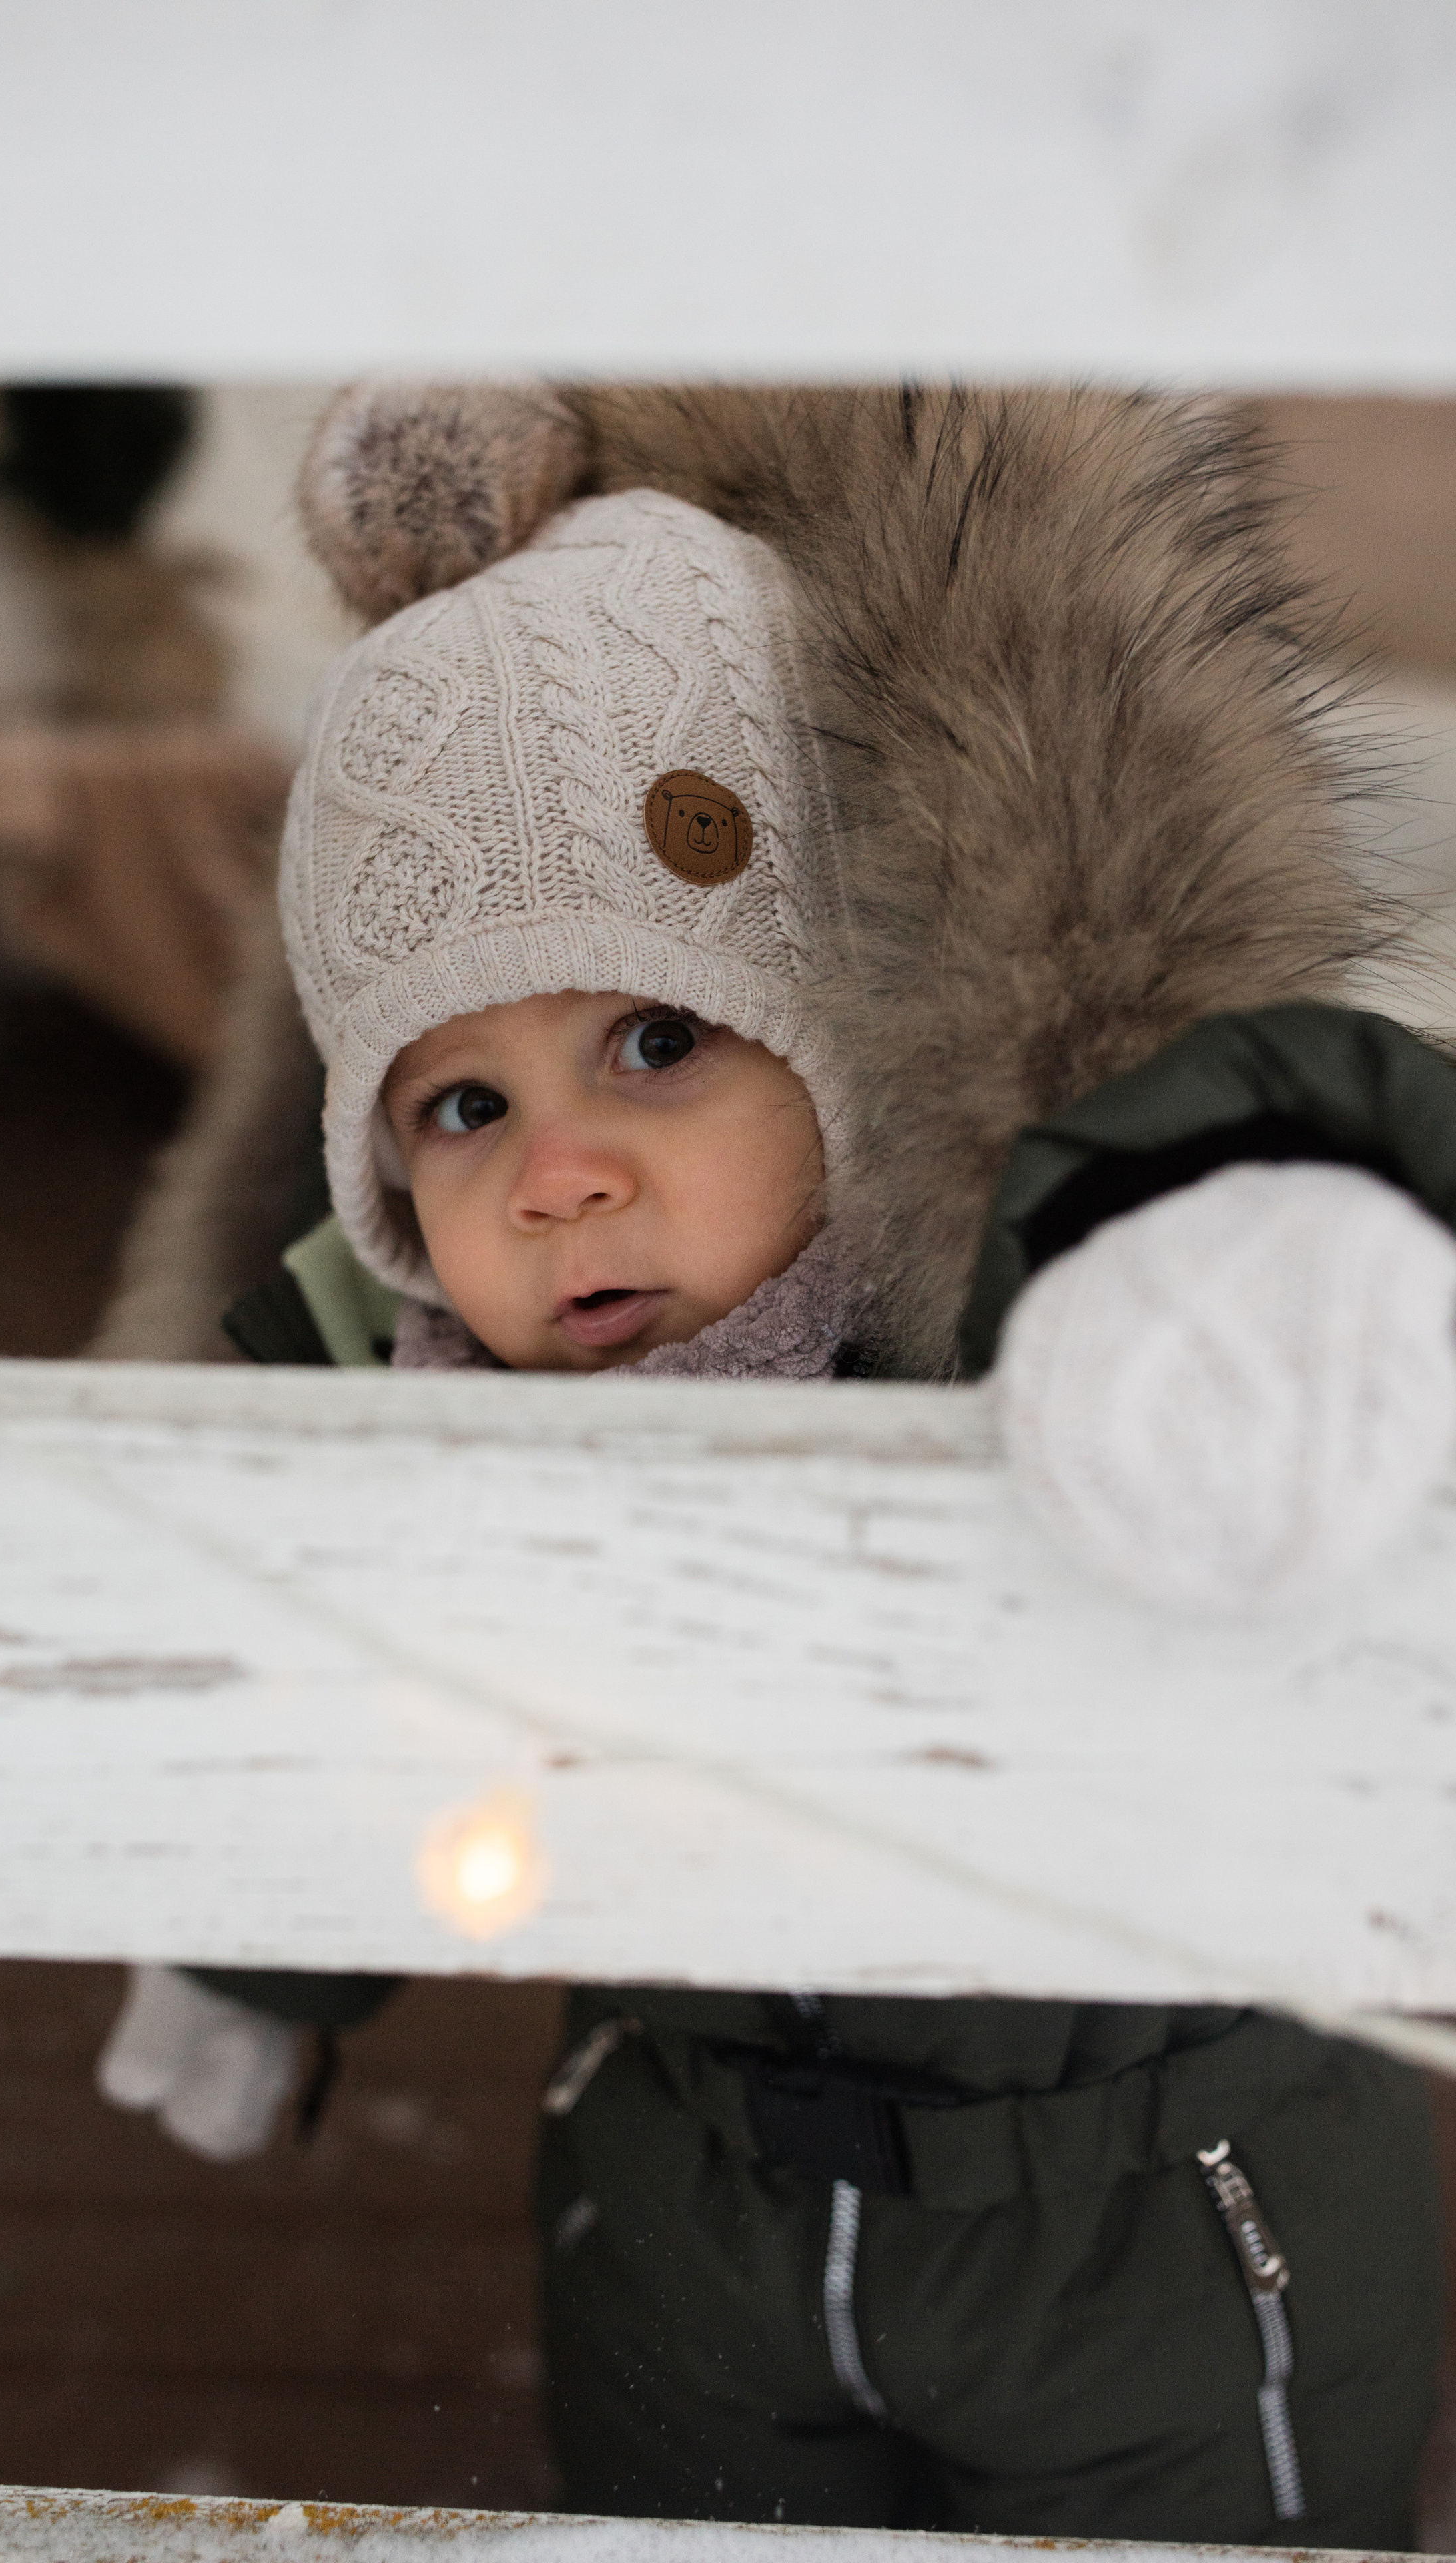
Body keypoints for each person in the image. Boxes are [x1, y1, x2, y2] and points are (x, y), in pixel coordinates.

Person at [100, 382, 1456, 2546]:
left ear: (840, 1035)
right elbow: (360, 1678)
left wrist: (1248, 1241)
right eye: (459, 1107)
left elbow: (1336, 1127)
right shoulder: (429, 1399)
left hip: (1169, 2219)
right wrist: (264, 1941)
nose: (560, 1177)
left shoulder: (1036, 1310)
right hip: (686, 2190)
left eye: (656, 1042)